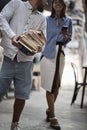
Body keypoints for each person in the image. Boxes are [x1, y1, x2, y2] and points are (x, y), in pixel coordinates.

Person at [0, 0, 46, 130]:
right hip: (9, 58)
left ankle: (15, 124)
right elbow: (1, 17)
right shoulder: (16, 4)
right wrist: (12, 36)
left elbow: (43, 41)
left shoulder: (42, 18)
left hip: (26, 62)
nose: (46, 3)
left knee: (22, 95)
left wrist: (37, 48)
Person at [40, 0, 72, 130]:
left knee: (57, 86)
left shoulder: (68, 20)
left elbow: (68, 39)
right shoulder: (46, 19)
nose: (57, 4)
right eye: (55, 3)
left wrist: (64, 37)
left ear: (64, 5)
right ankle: (53, 116)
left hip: (60, 54)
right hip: (48, 54)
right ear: (52, 5)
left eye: (60, 3)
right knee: (49, 86)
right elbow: (41, 36)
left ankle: (49, 109)